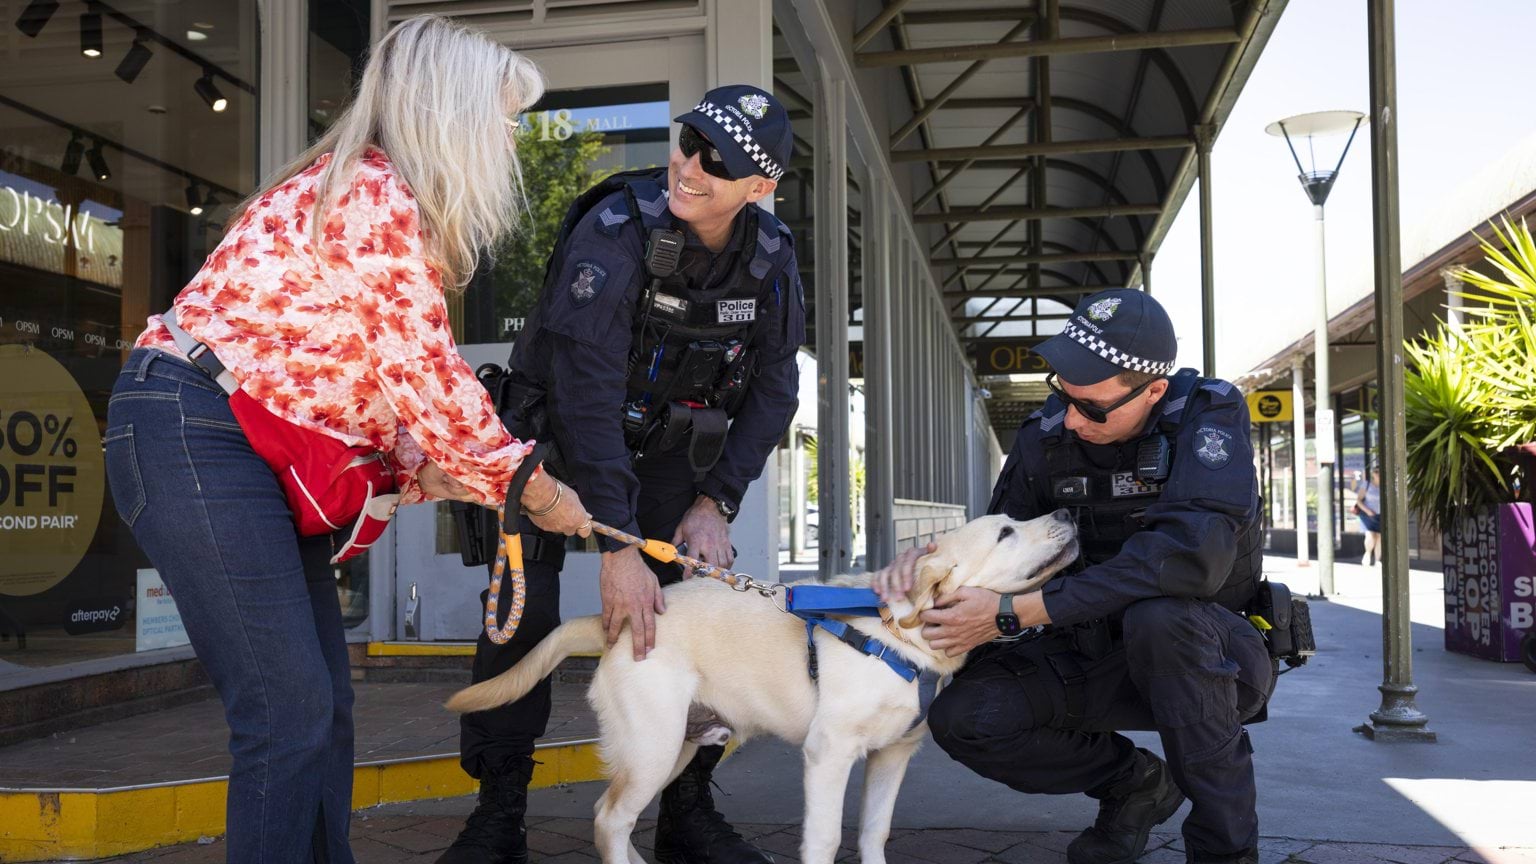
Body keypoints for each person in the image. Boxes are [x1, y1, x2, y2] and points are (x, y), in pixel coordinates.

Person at [103, 17, 591, 862]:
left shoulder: (363, 193)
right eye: (506, 118)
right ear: (454, 113)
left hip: (221, 436)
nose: (511, 138)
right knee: (288, 713)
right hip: (195, 430)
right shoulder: (375, 198)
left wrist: (448, 472)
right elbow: (430, 381)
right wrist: (535, 490)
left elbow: (371, 391)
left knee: (319, 707)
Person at [438, 85, 804, 864]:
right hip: (559, 446)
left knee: (695, 623)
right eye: (690, 140)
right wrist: (619, 548)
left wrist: (716, 501)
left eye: (720, 160)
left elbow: (776, 389)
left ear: (759, 187)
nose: (691, 165)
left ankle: (686, 806)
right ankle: (498, 812)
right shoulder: (616, 231)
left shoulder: (771, 258)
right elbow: (586, 394)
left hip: (672, 457)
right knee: (521, 620)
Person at [872, 289, 1276, 864]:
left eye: (1091, 406)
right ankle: (1135, 786)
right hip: (1084, 646)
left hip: (1208, 653)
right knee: (966, 718)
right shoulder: (1046, 434)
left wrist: (1023, 612)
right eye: (1062, 391)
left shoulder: (1206, 417)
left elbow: (1191, 557)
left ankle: (1225, 853)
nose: (1069, 415)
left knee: (1161, 619)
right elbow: (997, 545)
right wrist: (923, 569)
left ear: (1153, 391)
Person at [1354, 467, 1382, 567]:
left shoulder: (1385, 485)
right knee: (1370, 535)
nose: (1378, 474)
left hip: (1380, 515)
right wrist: (1367, 510)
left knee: (1379, 537)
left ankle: (1377, 560)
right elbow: (1359, 500)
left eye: (1379, 471)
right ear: (1373, 474)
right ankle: (1367, 554)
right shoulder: (1367, 484)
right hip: (1367, 514)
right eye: (1375, 472)